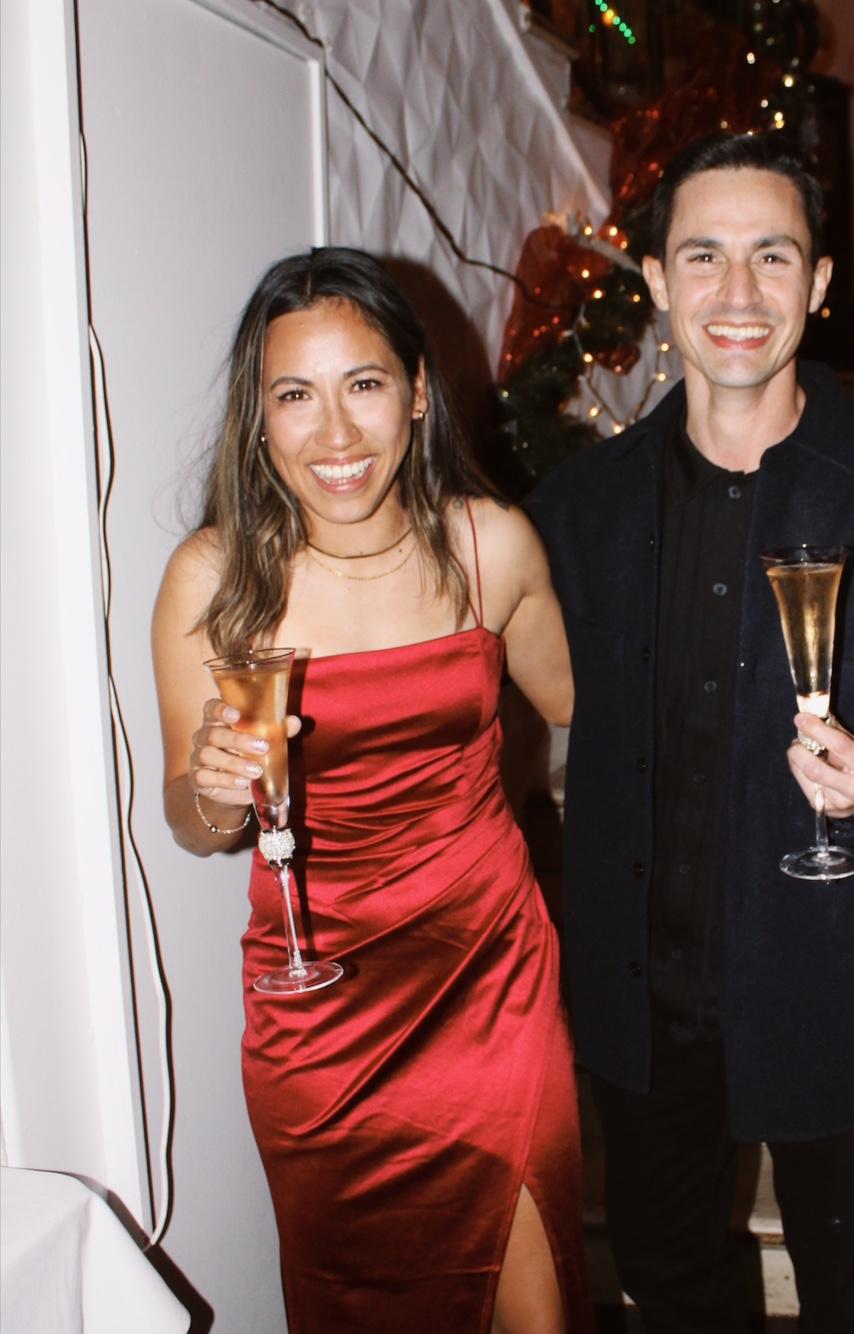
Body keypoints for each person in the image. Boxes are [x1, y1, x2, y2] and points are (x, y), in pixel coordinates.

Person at [528, 134, 854, 1333]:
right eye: (702, 255)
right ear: (655, 279)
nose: (737, 292)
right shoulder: (574, 513)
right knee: (671, 1283)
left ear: (818, 281)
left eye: (772, 255)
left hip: (839, 981)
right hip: (643, 999)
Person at [151, 247, 591, 1334]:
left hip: (492, 979)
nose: (336, 433)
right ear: (258, 419)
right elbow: (191, 821)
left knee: (534, 1305)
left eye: (364, 384)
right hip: (319, 1006)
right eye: (295, 395)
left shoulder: (490, 548)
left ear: (417, 393)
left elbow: (590, 710)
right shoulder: (214, 576)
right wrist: (216, 787)